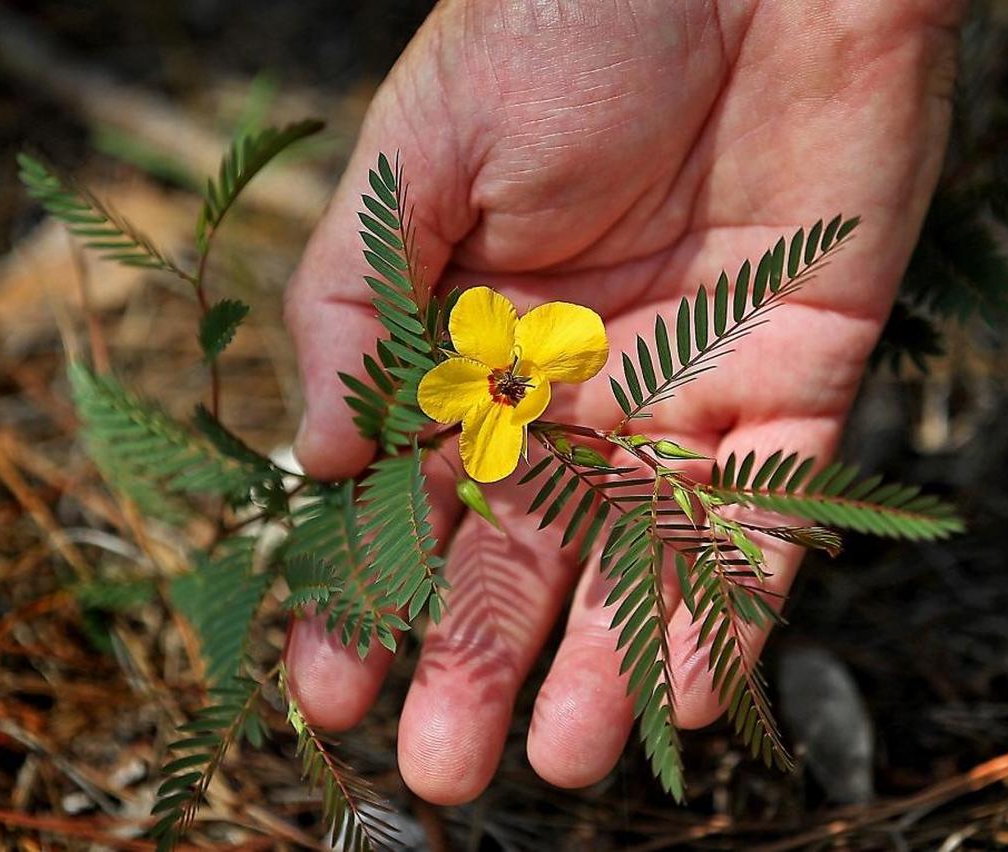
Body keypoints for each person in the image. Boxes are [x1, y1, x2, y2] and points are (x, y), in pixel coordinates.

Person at [282, 0, 964, 805]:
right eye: (508, 384)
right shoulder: (476, 382)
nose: (515, 388)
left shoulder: (517, 369)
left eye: (517, 385)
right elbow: (461, 399)